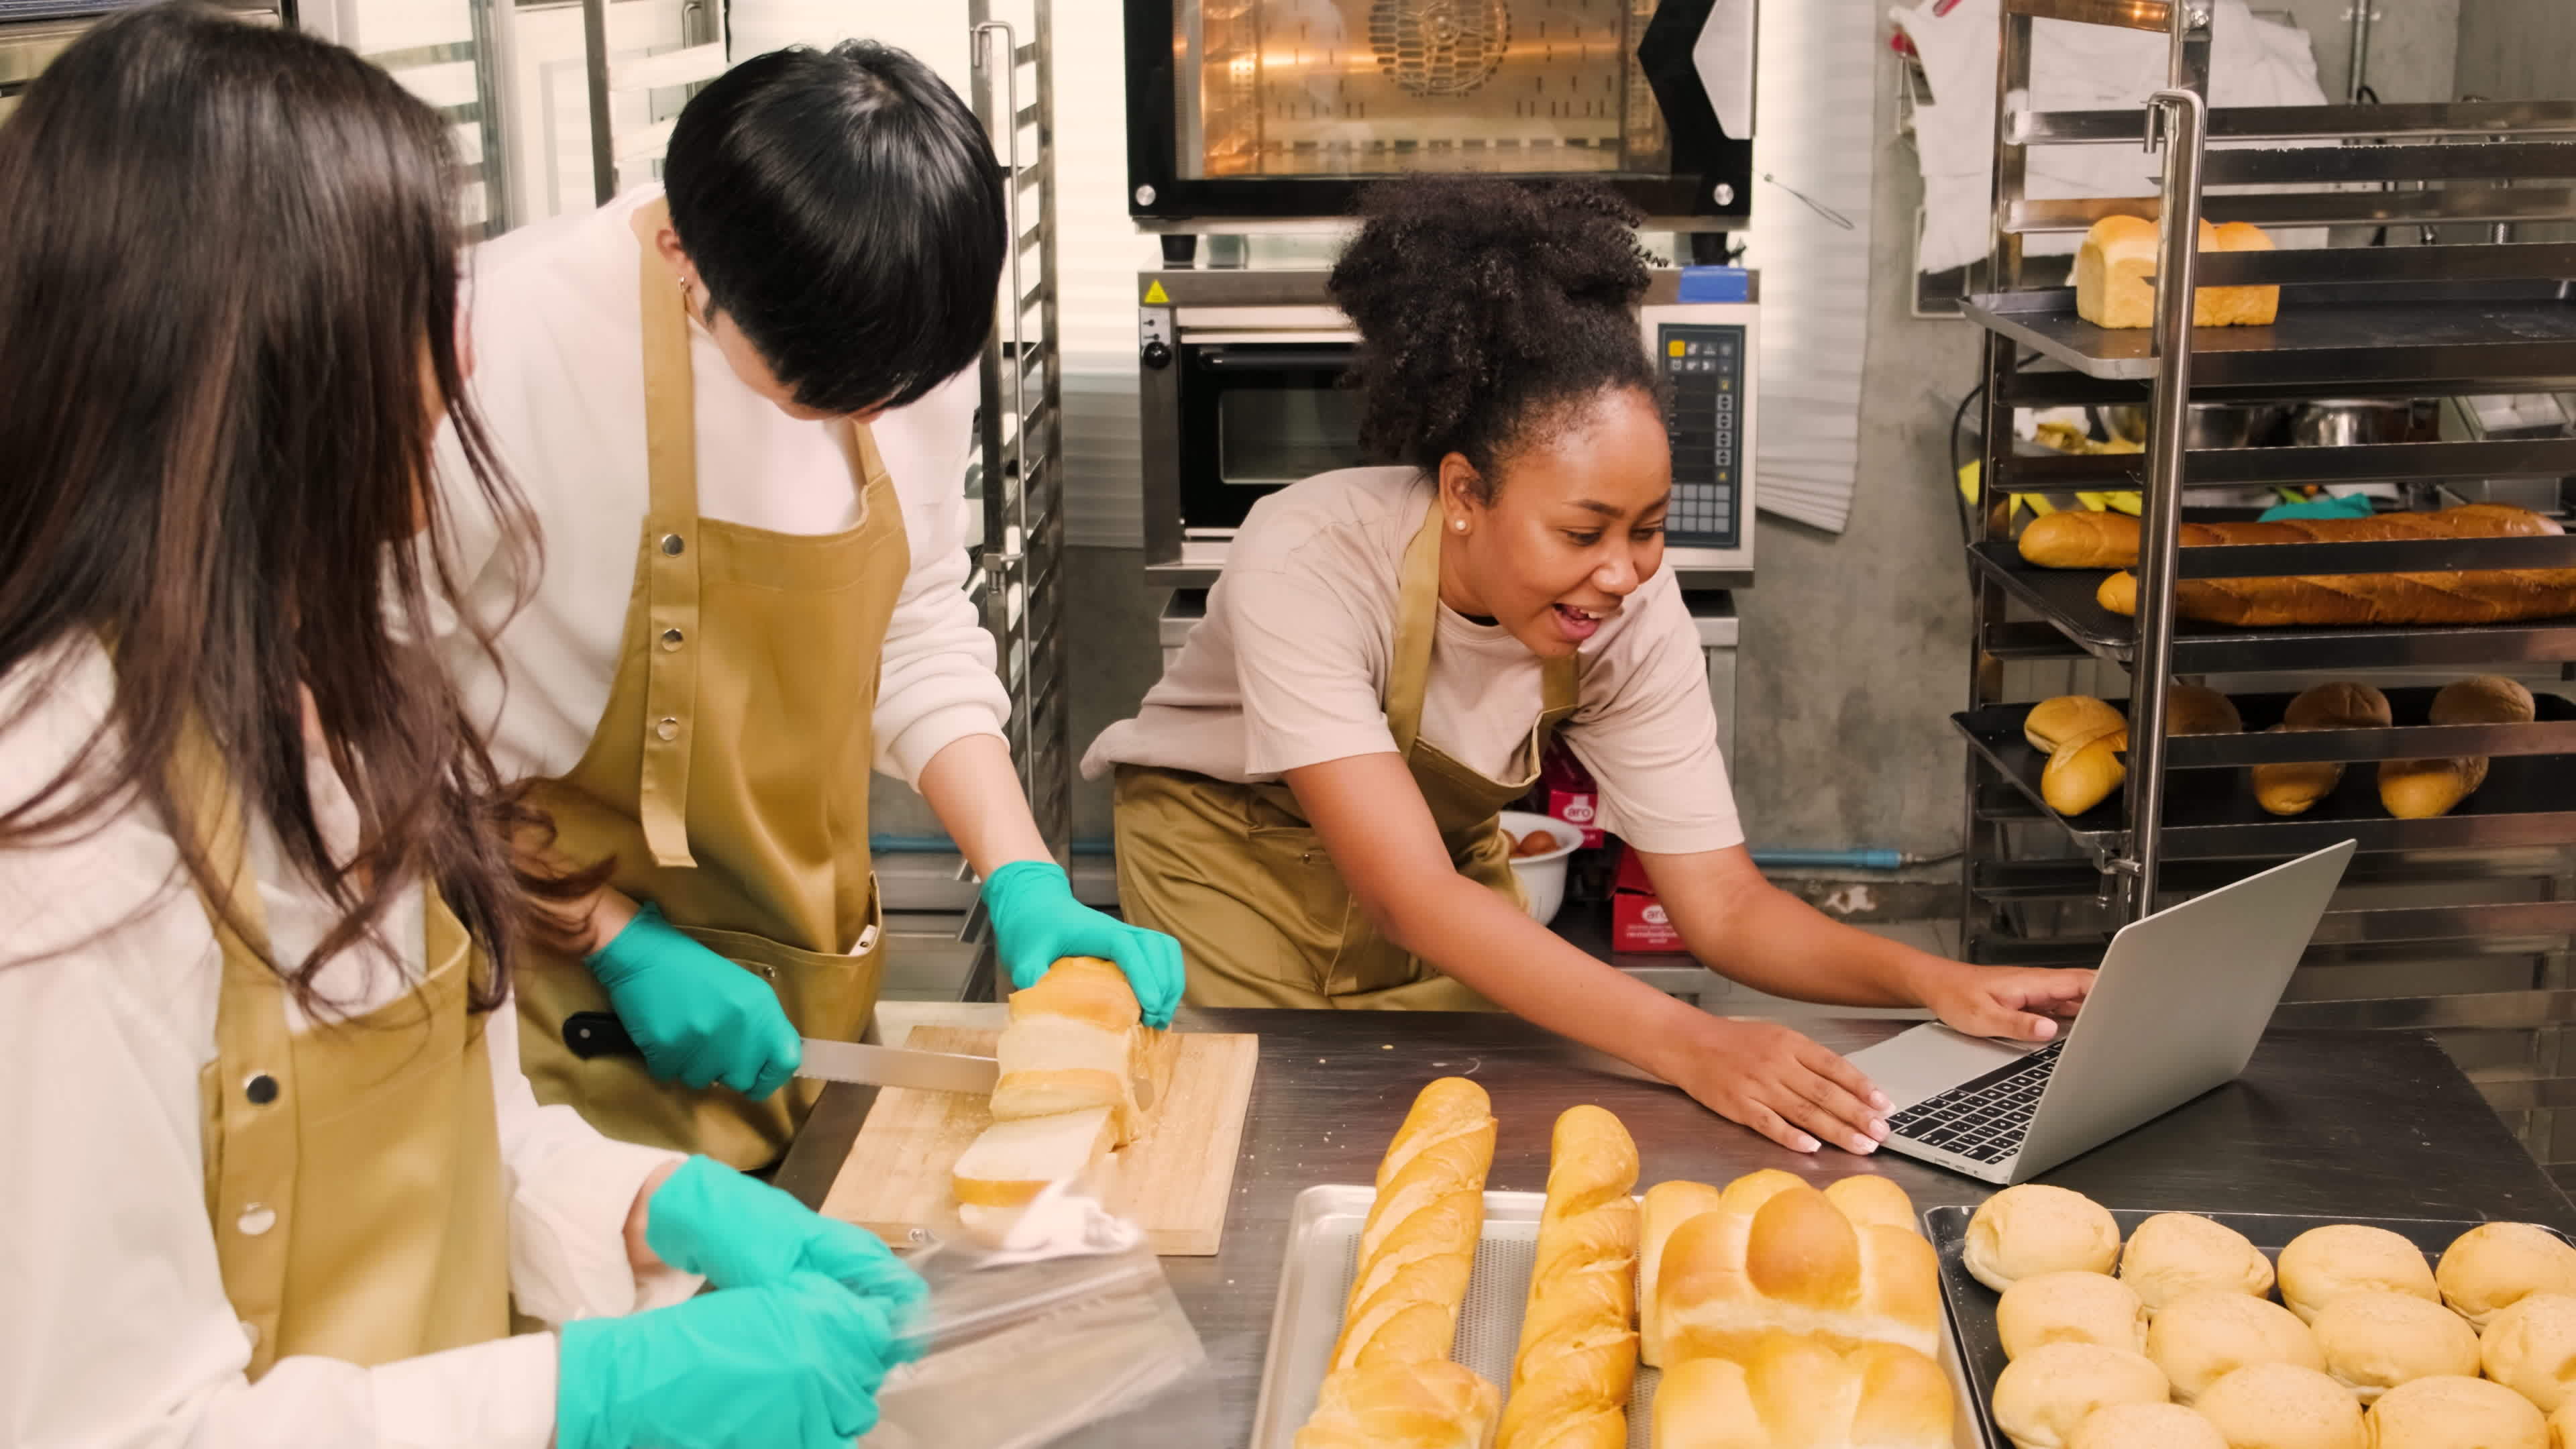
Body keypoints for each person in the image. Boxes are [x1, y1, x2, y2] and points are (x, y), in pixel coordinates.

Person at [0, 11, 918, 1447]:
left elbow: (460, 1149)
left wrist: (636, 1206)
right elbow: (115, 1427)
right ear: (273, 375)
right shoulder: (57, 855)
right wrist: (594, 1395)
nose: (454, 369)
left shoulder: (349, 717)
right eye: (421, 317)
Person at [1085, 178, 2094, 1157]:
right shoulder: (1309, 557)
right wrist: (1696, 1042)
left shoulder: (1629, 613)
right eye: (1581, 531)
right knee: (1270, 1139)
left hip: (1441, 877)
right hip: (1232, 862)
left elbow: (1727, 910)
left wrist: (1935, 981)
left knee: (1472, 1135)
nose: (1621, 573)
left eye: (1649, 529)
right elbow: (1411, 899)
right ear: (1465, 493)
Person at [434, 40, 1182, 1169]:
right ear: (685, 255)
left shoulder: (905, 303)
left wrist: (1024, 871)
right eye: (827, 396)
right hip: (542, 988)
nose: (887, 414)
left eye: (908, 389)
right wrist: (608, 935)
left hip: (793, 981)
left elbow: (918, 610)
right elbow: (361, 733)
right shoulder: (490, 351)